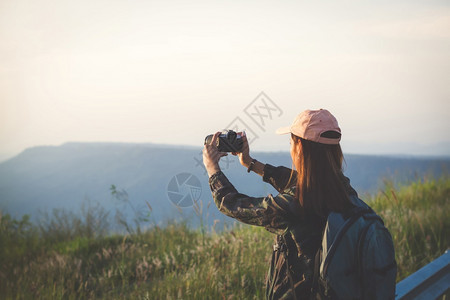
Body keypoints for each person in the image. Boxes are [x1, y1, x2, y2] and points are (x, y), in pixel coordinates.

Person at [202, 109, 384, 299]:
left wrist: (213, 170)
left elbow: (234, 205)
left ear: (299, 149)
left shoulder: (296, 205)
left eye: (291, 143)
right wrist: (250, 163)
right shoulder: (343, 188)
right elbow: (301, 182)